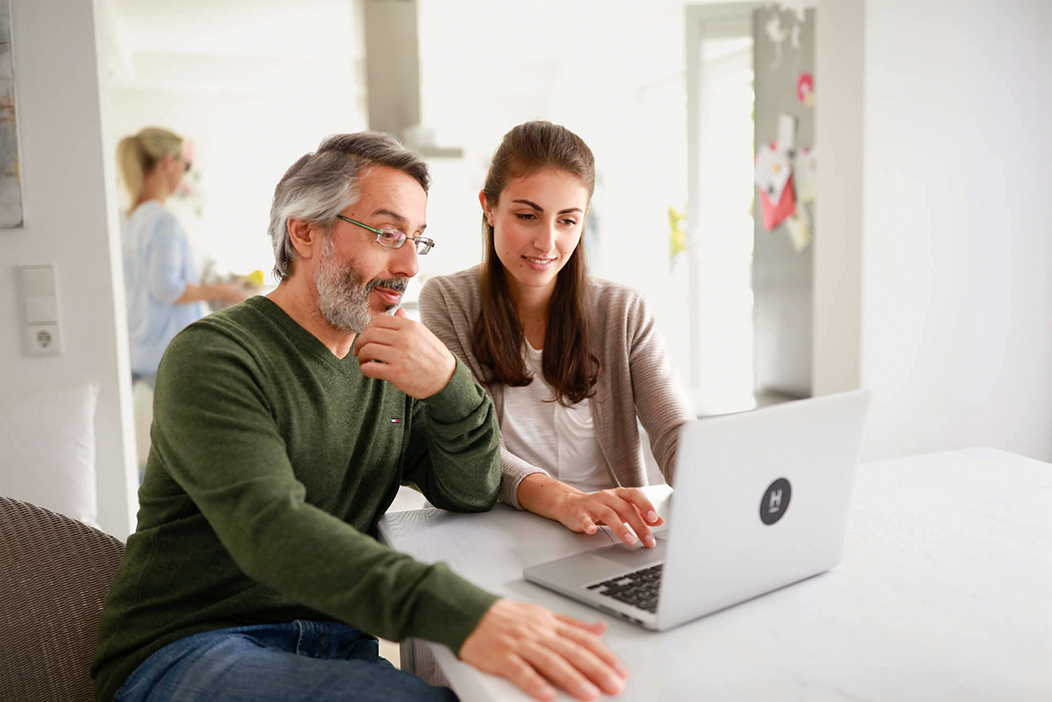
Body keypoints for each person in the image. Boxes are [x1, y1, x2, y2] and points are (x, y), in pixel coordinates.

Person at [92, 132, 628, 702]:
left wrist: (450, 384)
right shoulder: (214, 356)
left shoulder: (386, 364)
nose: (407, 265)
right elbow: (272, 533)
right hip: (194, 647)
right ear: (304, 230)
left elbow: (469, 489)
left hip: (336, 643)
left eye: (417, 240)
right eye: (388, 233)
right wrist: (466, 616)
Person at [420, 121, 694, 550]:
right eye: (527, 216)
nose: (547, 242)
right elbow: (474, 449)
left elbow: (676, 433)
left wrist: (721, 493)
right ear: (488, 208)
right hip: (502, 531)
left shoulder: (623, 310)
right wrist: (566, 501)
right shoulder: (447, 300)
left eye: (568, 220)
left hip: (612, 536)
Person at [117, 127, 247, 386]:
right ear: (168, 162)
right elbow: (166, 288)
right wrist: (220, 290)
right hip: (168, 353)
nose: (184, 173)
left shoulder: (126, 220)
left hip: (139, 350)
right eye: (184, 165)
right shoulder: (162, 221)